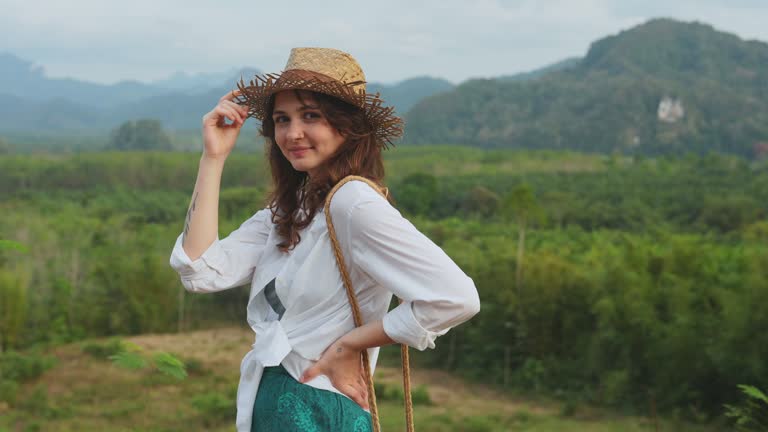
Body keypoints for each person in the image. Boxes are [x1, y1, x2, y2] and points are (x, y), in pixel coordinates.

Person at [168, 47, 480, 432]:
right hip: (280, 402)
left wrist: (350, 345)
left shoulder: (353, 202)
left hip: (315, 408)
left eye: (311, 116)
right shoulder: (292, 209)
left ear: (347, 126)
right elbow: (199, 270)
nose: (292, 133)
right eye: (282, 119)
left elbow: (456, 297)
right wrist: (213, 158)